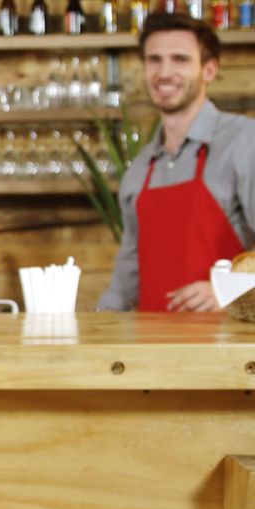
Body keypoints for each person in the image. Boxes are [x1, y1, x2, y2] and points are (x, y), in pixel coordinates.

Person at [99, 13, 255, 312]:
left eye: (180, 59)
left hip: (226, 349)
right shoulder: (141, 169)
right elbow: (129, 272)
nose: (164, 72)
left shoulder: (244, 141)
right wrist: (91, 327)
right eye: (154, 60)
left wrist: (228, 289)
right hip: (152, 349)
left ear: (209, 70)